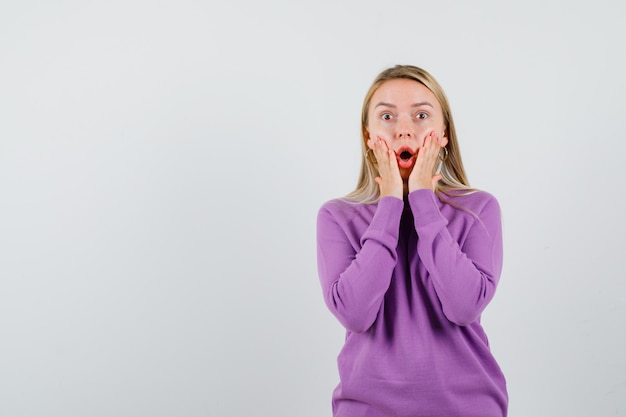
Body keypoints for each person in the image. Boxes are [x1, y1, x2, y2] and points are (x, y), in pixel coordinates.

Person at [316, 65, 508, 417]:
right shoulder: (337, 216)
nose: (404, 129)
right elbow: (355, 314)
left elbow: (464, 307)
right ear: (368, 135)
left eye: (421, 115)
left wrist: (423, 199)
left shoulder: (479, 209)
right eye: (387, 116)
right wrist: (389, 202)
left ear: (444, 133)